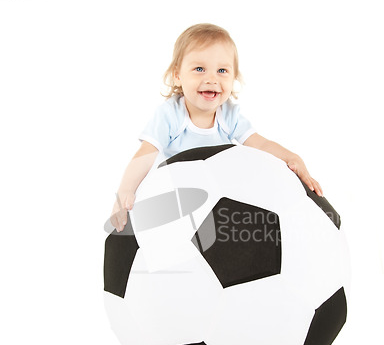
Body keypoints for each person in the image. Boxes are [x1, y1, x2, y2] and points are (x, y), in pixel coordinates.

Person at [110, 23, 323, 232]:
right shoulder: (171, 115)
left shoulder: (228, 114)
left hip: (217, 195)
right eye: (199, 69)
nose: (211, 79)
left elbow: (259, 143)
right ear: (177, 75)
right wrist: (125, 192)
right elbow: (145, 154)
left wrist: (292, 157)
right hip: (177, 194)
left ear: (233, 78)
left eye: (222, 70)